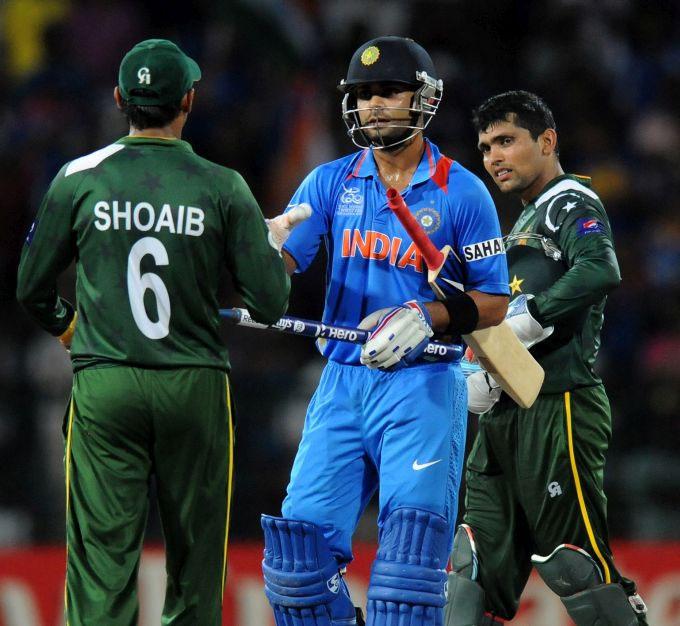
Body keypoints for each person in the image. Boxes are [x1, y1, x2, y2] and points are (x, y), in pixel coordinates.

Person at [16, 39, 293, 625]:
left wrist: (70, 329)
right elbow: (269, 303)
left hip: (106, 382)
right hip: (193, 386)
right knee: (195, 569)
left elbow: (30, 289)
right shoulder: (223, 185)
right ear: (189, 100)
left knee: (100, 565)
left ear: (119, 99)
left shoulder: (78, 176)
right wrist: (270, 242)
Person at [260, 36, 509, 626]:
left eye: (387, 92)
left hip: (423, 385)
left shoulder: (463, 191)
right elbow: (283, 263)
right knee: (297, 566)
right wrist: (260, 248)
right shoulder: (328, 182)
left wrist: (427, 318)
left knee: (407, 578)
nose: (373, 105)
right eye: (363, 94)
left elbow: (494, 301)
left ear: (422, 100)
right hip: (342, 382)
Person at [444, 90, 648, 626]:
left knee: (575, 568)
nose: (493, 157)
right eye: (486, 146)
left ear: (548, 141)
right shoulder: (517, 227)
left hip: (558, 407)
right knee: (470, 575)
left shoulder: (570, 200)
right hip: (502, 417)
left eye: (507, 141)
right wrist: (479, 365)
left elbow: (601, 269)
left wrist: (525, 323)